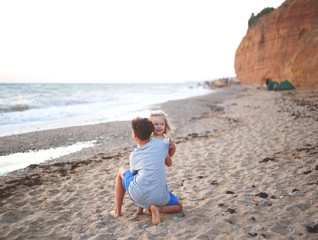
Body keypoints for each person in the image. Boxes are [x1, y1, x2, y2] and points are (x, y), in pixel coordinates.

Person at [109, 117, 182, 225]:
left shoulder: (134, 155)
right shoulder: (161, 145)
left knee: (122, 170)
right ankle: (157, 209)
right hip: (161, 198)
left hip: (139, 196)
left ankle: (117, 212)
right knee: (179, 206)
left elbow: (135, 174)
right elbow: (169, 163)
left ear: (134, 135)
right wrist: (172, 150)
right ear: (151, 132)